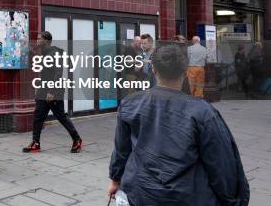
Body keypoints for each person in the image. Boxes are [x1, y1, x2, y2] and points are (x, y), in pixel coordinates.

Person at [107, 44, 250, 205]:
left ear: (153, 69)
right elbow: (221, 163)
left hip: (140, 193)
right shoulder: (203, 112)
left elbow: (121, 150)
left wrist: (116, 179)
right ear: (186, 71)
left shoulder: (130, 103)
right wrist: (231, 199)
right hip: (186, 196)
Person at [23, 31, 82, 153]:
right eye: (38, 38)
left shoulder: (55, 53)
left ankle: (77, 139)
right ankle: (36, 143)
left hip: (54, 91)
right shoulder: (43, 53)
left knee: (61, 117)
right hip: (43, 90)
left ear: (47, 40)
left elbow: (58, 73)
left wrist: (51, 91)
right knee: (38, 116)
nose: (38, 40)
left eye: (40, 39)